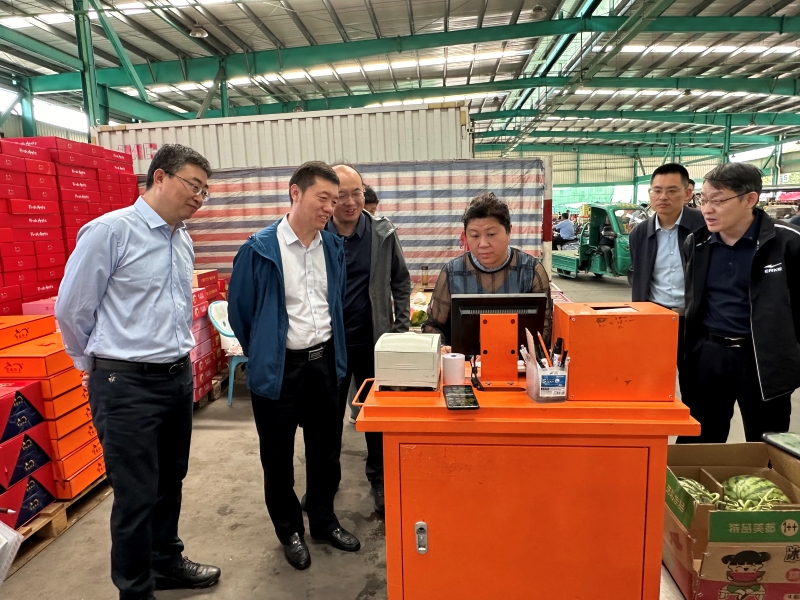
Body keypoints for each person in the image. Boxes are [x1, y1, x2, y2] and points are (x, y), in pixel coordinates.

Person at [55, 144, 221, 600]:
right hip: (125, 383)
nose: (199, 197)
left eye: (204, 191)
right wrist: (93, 364)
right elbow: (72, 309)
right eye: (193, 185)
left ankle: (165, 562)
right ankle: (135, 589)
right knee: (135, 493)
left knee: (170, 480)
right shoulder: (111, 232)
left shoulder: (181, 238)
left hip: (175, 377)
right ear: (160, 177)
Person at [228, 161, 360, 571]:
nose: (330, 208)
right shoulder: (259, 249)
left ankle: (323, 521)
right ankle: (289, 530)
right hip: (280, 369)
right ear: (295, 193)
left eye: (334, 200)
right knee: (278, 457)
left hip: (324, 366)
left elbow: (334, 304)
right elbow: (240, 314)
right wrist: (267, 351)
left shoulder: (332, 247)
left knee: (326, 453)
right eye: (323, 198)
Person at [678, 162, 800, 443]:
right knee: (701, 438)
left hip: (763, 360)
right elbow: (695, 301)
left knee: (766, 443)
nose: (707, 209)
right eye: (704, 200)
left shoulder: (787, 243)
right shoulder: (696, 243)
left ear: (750, 199)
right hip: (710, 355)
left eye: (718, 201)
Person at [324, 162, 411, 514]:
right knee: (327, 418)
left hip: (373, 340)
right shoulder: (316, 233)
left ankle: (379, 478)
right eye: (341, 195)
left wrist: (400, 329)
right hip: (328, 344)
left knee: (376, 415)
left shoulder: (382, 233)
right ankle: (326, 482)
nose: (350, 202)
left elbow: (401, 281)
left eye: (356, 193)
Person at [424, 192, 553, 349]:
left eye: (491, 234)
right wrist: (442, 348)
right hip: (464, 362)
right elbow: (433, 326)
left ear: (509, 231)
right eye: (474, 235)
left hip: (517, 361)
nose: (483, 243)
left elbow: (544, 331)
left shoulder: (531, 271)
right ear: (466, 235)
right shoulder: (452, 272)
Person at [629, 163, 705, 380]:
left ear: (687, 193)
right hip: (656, 319)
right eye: (657, 190)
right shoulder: (639, 233)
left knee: (695, 383)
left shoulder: (704, 226)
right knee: (653, 381)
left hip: (696, 322)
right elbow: (640, 277)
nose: (663, 197)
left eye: (672, 190)